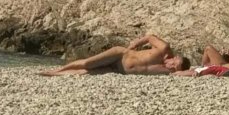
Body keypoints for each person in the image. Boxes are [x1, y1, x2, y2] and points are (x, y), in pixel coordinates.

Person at [40, 34, 190, 76]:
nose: (171, 66)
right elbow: (150, 37)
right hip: (121, 55)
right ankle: (56, 70)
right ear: (175, 57)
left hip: (119, 71)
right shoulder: (164, 49)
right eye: (173, 63)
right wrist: (133, 46)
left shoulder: (167, 72)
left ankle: (55, 75)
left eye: (174, 68)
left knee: (86, 73)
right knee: (87, 63)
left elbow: (190, 73)